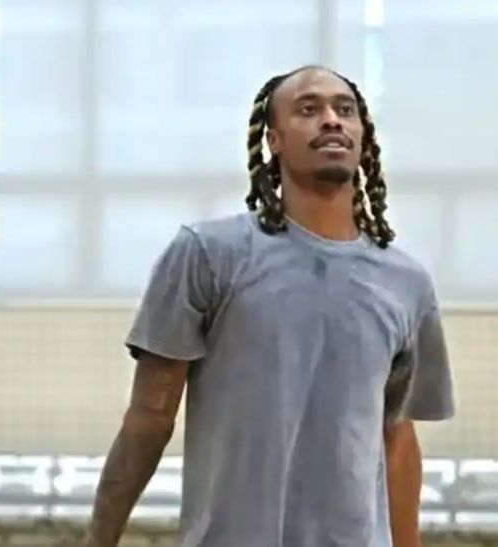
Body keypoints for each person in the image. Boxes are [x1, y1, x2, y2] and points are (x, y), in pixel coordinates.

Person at [84, 65, 455, 547]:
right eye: (309, 109)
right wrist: (100, 539)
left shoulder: (406, 283)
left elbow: (397, 439)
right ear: (274, 140)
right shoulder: (208, 255)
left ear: (363, 136)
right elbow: (149, 419)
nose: (331, 119)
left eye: (345, 110)